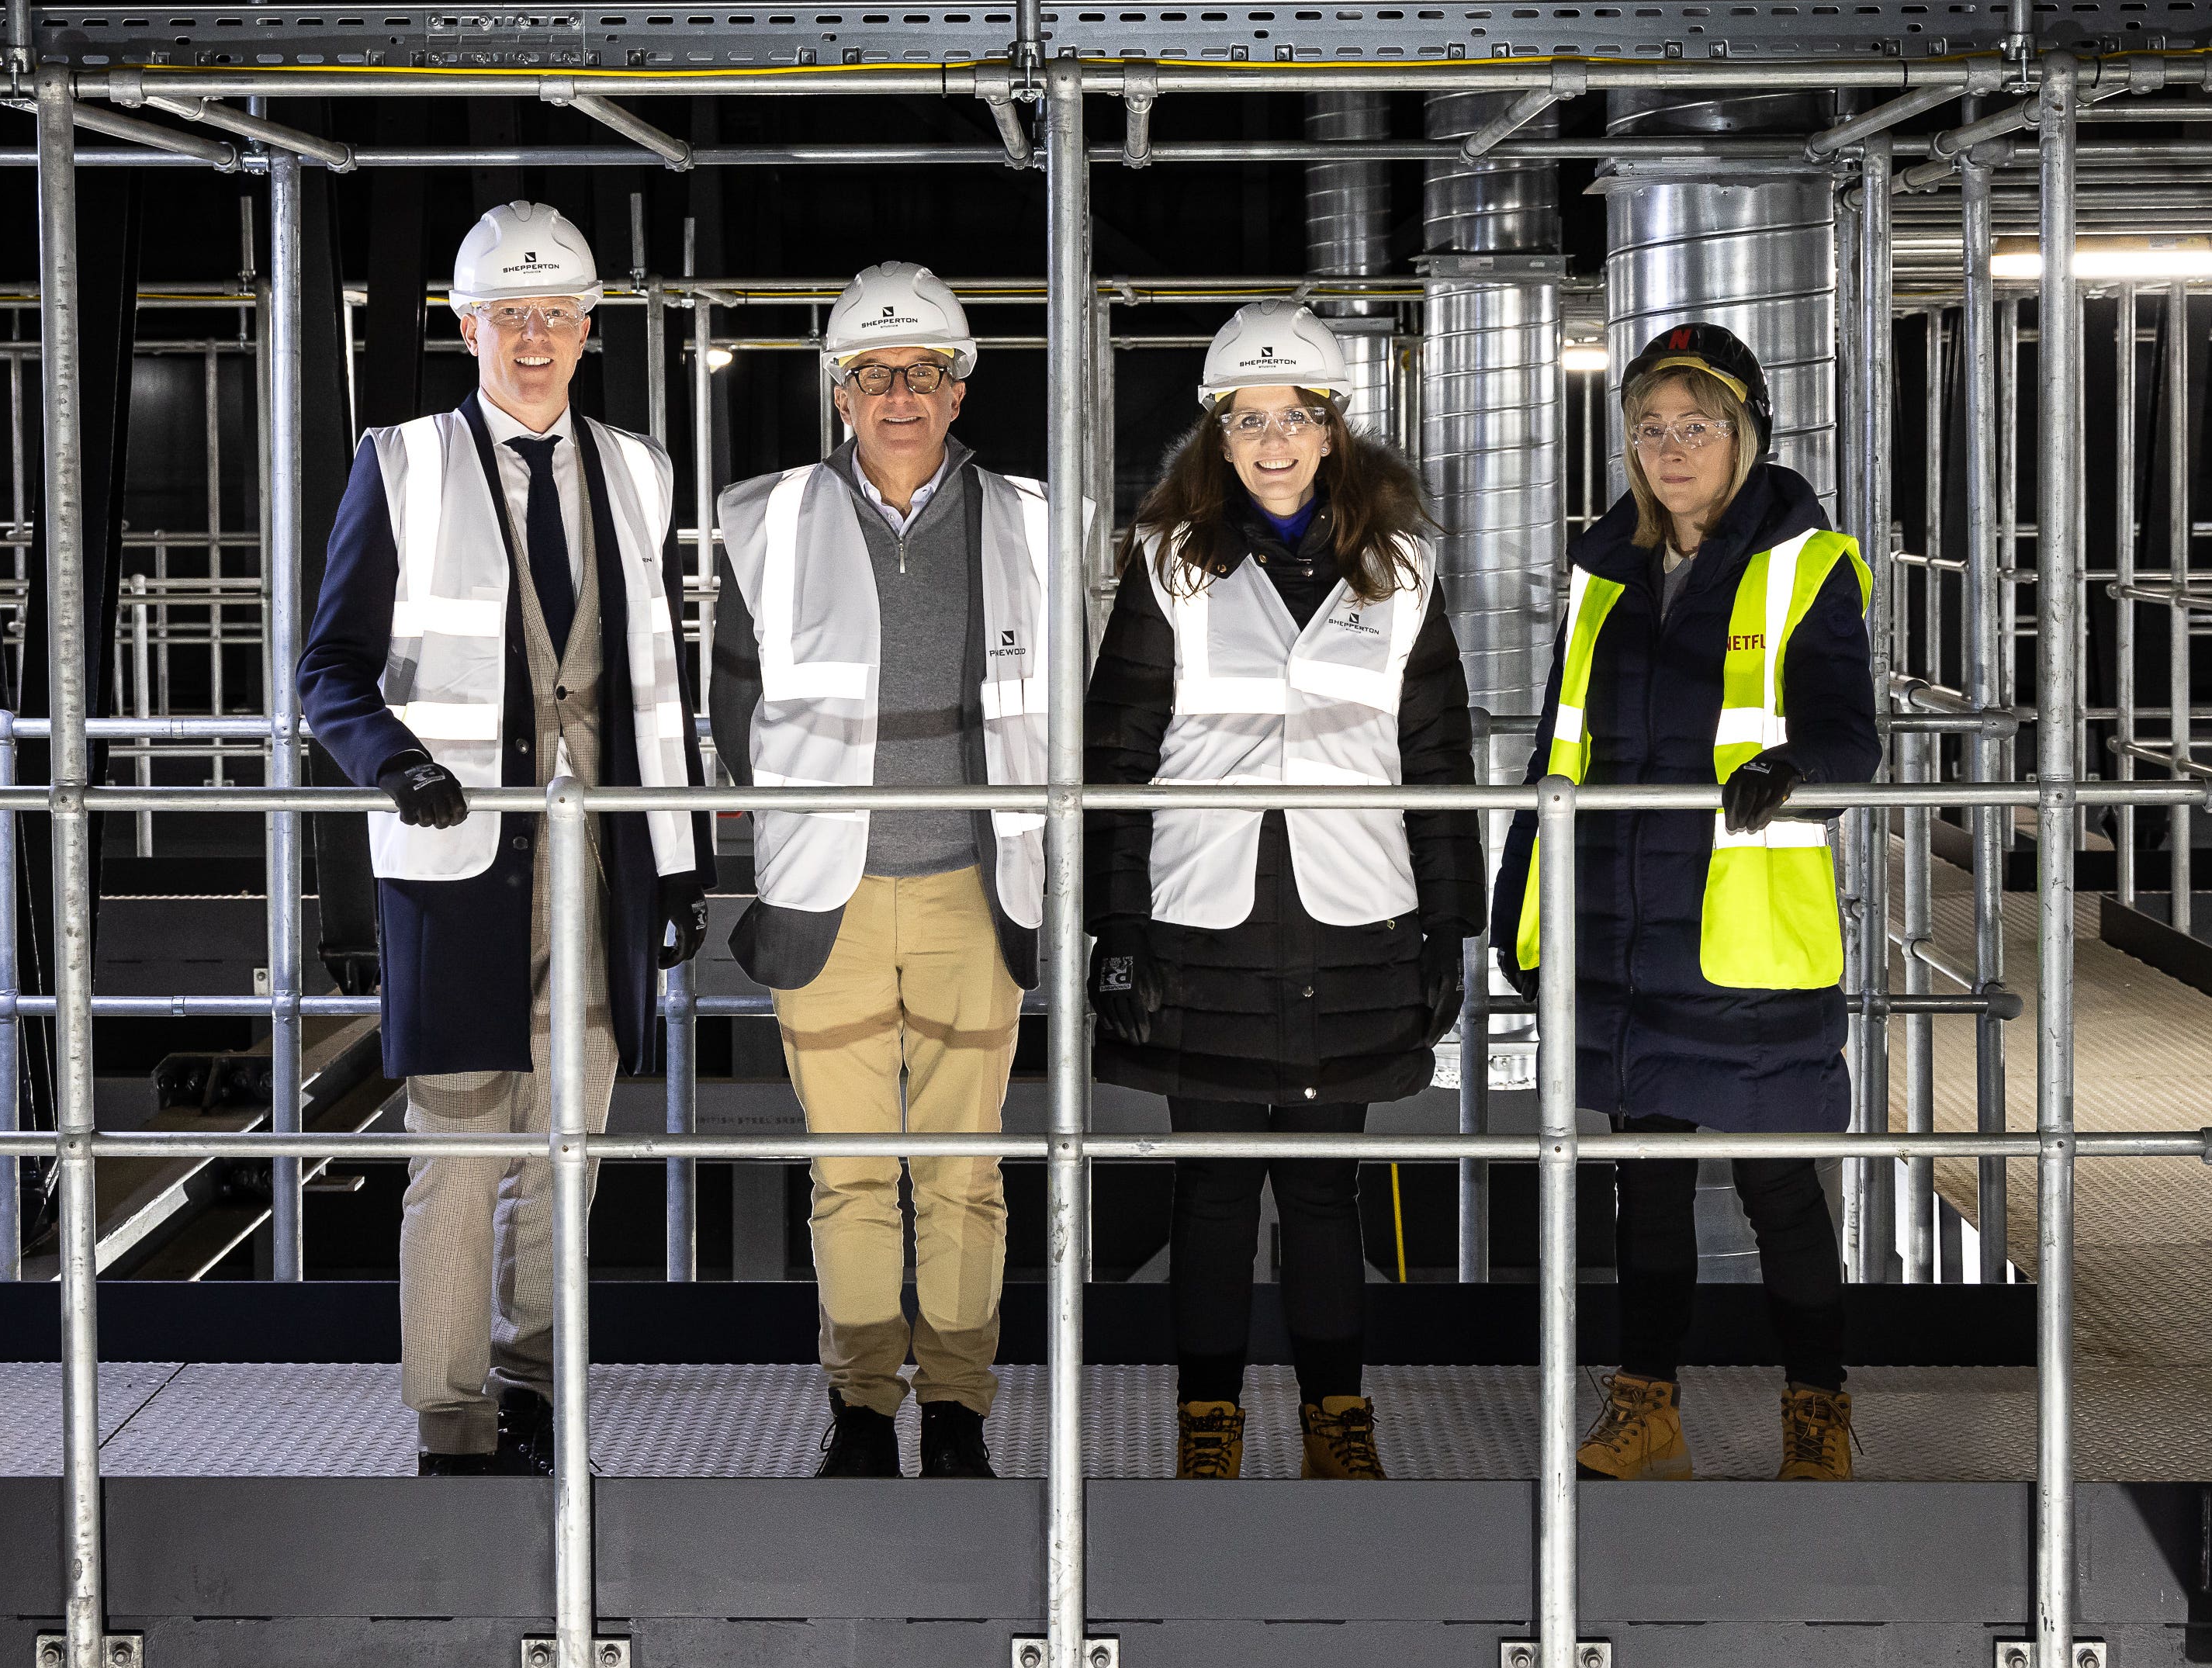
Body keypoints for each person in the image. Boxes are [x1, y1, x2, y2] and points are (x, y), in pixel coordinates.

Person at [300, 200, 711, 1477]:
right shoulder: (406, 461)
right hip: (462, 871)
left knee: (571, 1155)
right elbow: (329, 674)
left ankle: (537, 1385)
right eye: (508, 316)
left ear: (588, 329)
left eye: (555, 315)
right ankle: (451, 1415)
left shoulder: (639, 472)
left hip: (603, 874)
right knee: (460, 1160)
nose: (533, 339)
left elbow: (657, 683)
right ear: (465, 327)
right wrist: (398, 764)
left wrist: (681, 857)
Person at [1085, 300, 1476, 1480]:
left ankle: (1334, 1420)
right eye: (1248, 419)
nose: (1271, 441)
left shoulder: (1401, 571)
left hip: (1355, 918)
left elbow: (1439, 751)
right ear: (1217, 431)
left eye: (1293, 416)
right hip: (1200, 925)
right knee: (1208, 1195)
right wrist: (1116, 924)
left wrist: (1451, 927)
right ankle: (1209, 1421)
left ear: (1332, 427)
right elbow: (1118, 750)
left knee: (1321, 1193)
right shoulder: (1168, 566)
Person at [1490, 321, 1879, 1482]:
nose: (1672, 449)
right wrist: (1522, 903)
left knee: (1778, 1191)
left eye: (1696, 427)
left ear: (1746, 437)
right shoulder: (1605, 573)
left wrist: (1796, 772)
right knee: (1642, 1195)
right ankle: (1643, 1411)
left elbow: (1850, 733)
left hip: (1745, 938)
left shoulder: (1805, 565)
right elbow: (1557, 752)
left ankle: (1818, 1411)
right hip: (1619, 926)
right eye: (1651, 430)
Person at [712, 261, 1053, 1480]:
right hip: (830, 898)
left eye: (924, 371)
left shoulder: (1035, 520)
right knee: (850, 1173)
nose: (899, 393)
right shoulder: (767, 519)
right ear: (837, 391)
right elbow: (734, 708)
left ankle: (956, 1411)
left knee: (964, 1176)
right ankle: (862, 1408)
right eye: (872, 372)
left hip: (978, 887)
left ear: (960, 388)